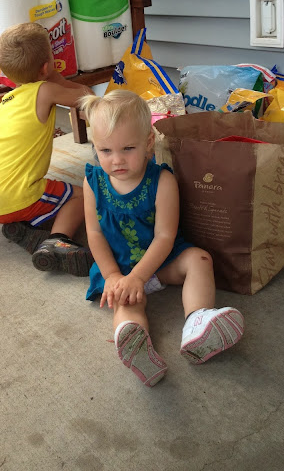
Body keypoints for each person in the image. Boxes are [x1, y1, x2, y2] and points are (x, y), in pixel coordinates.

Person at [78, 90, 244, 387]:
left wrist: (140, 277)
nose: (117, 160)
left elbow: (165, 236)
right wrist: (114, 276)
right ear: (95, 147)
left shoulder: (162, 181)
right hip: (120, 265)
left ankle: (197, 323)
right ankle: (134, 341)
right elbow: (94, 233)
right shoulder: (93, 182)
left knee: (199, 259)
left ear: (148, 143)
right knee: (125, 301)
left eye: (128, 148)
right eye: (105, 151)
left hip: (162, 260)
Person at [0, 23, 94, 276]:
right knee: (82, 195)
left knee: (47, 194)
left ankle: (24, 228)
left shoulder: (7, 100)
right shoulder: (46, 90)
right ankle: (57, 241)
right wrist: (57, 78)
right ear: (46, 66)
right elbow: (86, 97)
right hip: (17, 196)